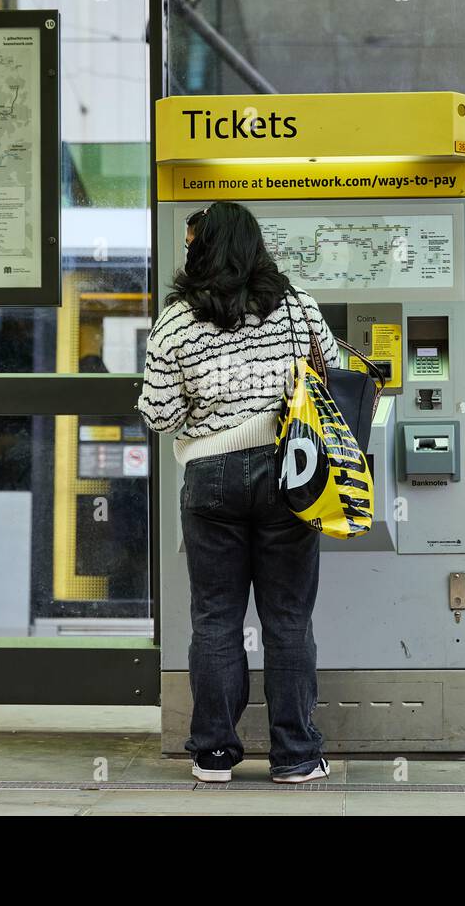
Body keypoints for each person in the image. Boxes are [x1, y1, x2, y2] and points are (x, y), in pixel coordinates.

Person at [138, 201, 339, 784]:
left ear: (204, 249)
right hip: (290, 471)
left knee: (216, 619)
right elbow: (328, 375)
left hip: (211, 478)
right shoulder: (296, 308)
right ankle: (296, 755)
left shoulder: (174, 322)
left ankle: (214, 753)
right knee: (288, 621)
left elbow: (159, 415)